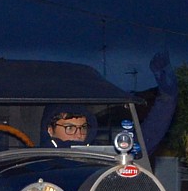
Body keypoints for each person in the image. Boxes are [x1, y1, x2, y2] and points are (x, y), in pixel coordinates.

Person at [39, 50, 178, 154]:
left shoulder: (98, 158)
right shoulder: (35, 164)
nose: (79, 134)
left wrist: (167, 99)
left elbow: (147, 139)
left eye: (83, 127)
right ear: (50, 130)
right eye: (69, 128)